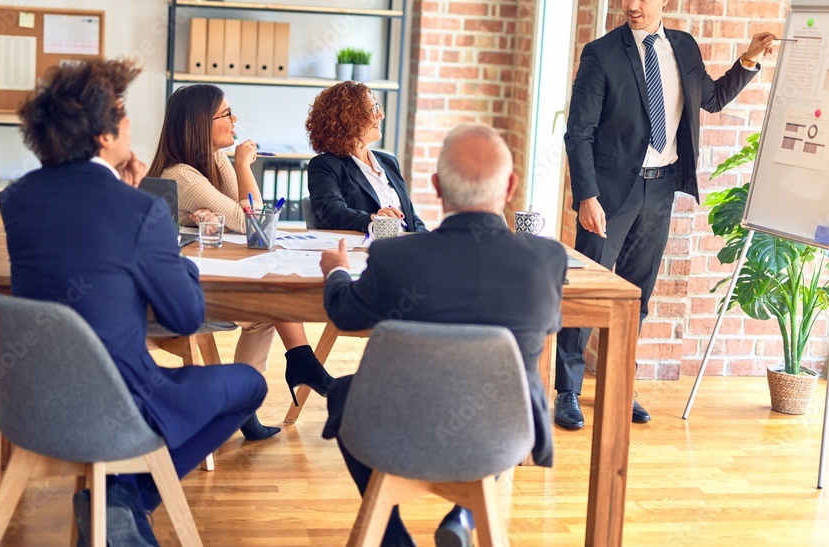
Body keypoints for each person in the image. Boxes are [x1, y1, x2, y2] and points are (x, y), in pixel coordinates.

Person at [1, 59, 267, 546]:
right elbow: (185, 317)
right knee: (249, 384)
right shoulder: (142, 209)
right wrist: (166, 239)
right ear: (104, 137)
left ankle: (117, 498)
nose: (129, 125)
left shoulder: (17, 199)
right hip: (122, 403)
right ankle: (128, 498)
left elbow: (83, 244)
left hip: (33, 400)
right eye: (122, 115)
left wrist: (132, 203)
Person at [319, 123, 566, 547]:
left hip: (397, 427)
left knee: (343, 393)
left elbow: (344, 313)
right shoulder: (546, 259)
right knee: (497, 388)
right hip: (505, 431)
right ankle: (465, 512)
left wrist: (337, 271)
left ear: (435, 186)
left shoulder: (394, 257)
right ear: (509, 185)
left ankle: (395, 538)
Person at [557, 0, 775, 429]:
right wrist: (587, 196)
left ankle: (618, 384)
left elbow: (712, 99)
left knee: (637, 293)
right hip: (610, 194)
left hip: (660, 190)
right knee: (587, 291)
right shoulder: (601, 54)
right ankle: (567, 390)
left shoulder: (683, 47)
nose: (632, 6)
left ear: (664, 0)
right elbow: (578, 133)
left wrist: (749, 59)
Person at [147, 83, 336, 440]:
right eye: (226, 114)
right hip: (182, 297)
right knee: (268, 304)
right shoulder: (181, 174)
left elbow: (252, 218)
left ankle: (247, 403)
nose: (235, 120)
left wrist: (231, 172)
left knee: (267, 307)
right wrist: (243, 163)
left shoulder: (213, 161)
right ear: (201, 124)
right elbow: (251, 220)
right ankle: (275, 380)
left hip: (207, 278)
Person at [305, 81, 427, 232]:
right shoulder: (325, 165)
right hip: (365, 250)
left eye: (377, 107)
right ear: (347, 119)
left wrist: (427, 241)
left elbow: (411, 217)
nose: (381, 115)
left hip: (405, 247)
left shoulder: (389, 162)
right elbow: (332, 212)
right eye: (372, 109)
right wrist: (375, 220)